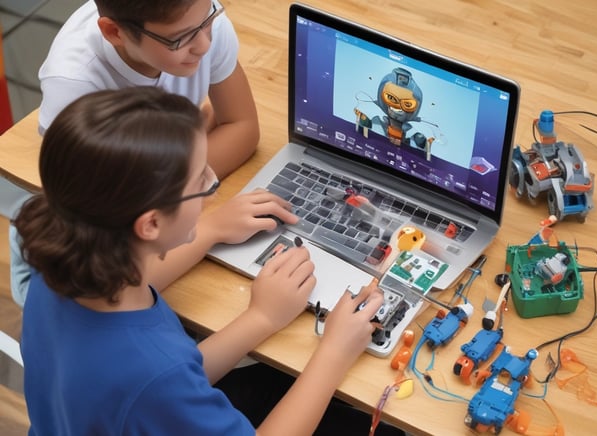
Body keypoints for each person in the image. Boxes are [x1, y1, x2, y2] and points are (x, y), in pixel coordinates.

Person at [14, 87, 404, 435]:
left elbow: (173, 378)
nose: (213, 185)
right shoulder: (153, 376)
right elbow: (161, 384)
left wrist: (260, 315)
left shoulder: (61, 268)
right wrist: (334, 353)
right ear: (149, 223)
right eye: (201, 180)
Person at [8, 0, 261, 306]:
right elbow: (113, 280)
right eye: (179, 39)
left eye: (209, 18)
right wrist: (211, 228)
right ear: (114, 32)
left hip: (137, 223)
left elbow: (243, 128)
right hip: (66, 265)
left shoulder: (196, 17)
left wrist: (181, 171)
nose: (205, 44)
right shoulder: (73, 84)